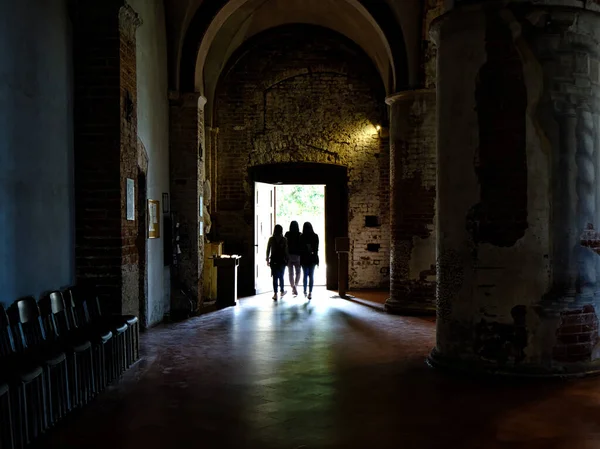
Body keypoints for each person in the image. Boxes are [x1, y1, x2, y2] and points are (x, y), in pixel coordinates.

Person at [266, 224, 288, 301]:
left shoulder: (271, 239)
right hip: (282, 260)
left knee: (275, 277)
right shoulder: (284, 239)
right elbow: (286, 251)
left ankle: (275, 293)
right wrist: (287, 260)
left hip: (274, 260)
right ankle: (282, 291)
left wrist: (267, 259)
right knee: (281, 276)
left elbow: (268, 249)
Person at [299, 221, 319, 300]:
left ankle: (304, 291)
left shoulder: (301, 236)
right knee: (311, 275)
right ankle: (310, 292)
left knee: (305, 275)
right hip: (312, 258)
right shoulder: (315, 236)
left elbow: (300, 248)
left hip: (304, 258)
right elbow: (316, 248)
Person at [284, 221, 302, 296]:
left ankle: (293, 287)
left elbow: (285, 245)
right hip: (298, 256)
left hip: (289, 255)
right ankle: (296, 286)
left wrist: (285, 255)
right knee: (298, 272)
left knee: (290, 273)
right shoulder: (300, 234)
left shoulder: (287, 234)